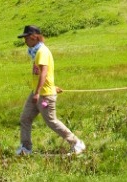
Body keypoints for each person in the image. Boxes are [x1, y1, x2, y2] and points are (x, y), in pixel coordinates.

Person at [16, 25, 85, 156]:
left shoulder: (42, 52)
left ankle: (76, 143)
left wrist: (37, 93)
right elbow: (45, 76)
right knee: (25, 118)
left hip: (44, 96)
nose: (25, 41)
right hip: (38, 93)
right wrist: (51, 86)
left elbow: (43, 73)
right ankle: (26, 148)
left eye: (26, 38)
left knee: (51, 121)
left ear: (33, 37)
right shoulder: (37, 51)